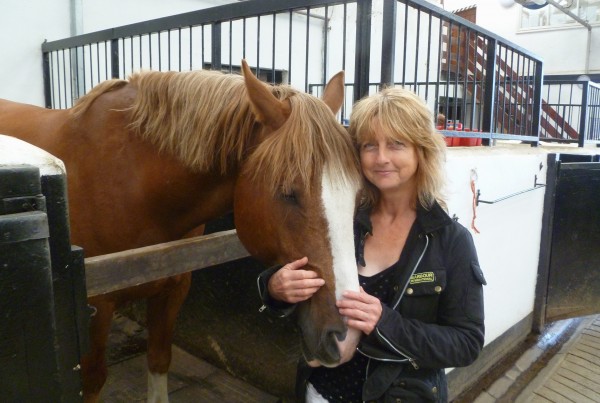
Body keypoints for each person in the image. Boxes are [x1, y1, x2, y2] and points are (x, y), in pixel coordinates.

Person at [257, 87, 486, 402]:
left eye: (396, 144)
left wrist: (386, 323)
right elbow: (297, 280)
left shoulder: (451, 241)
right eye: (369, 145)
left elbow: (466, 344)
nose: (381, 158)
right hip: (318, 391)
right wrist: (274, 288)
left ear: (422, 150)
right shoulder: (343, 221)